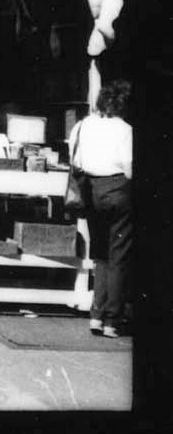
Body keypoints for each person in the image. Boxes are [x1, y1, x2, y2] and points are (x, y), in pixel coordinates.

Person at [70, 79, 133, 338]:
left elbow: (75, 159)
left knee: (101, 255)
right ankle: (111, 320)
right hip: (119, 191)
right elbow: (129, 167)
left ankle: (96, 315)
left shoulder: (83, 125)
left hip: (92, 192)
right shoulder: (126, 129)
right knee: (119, 256)